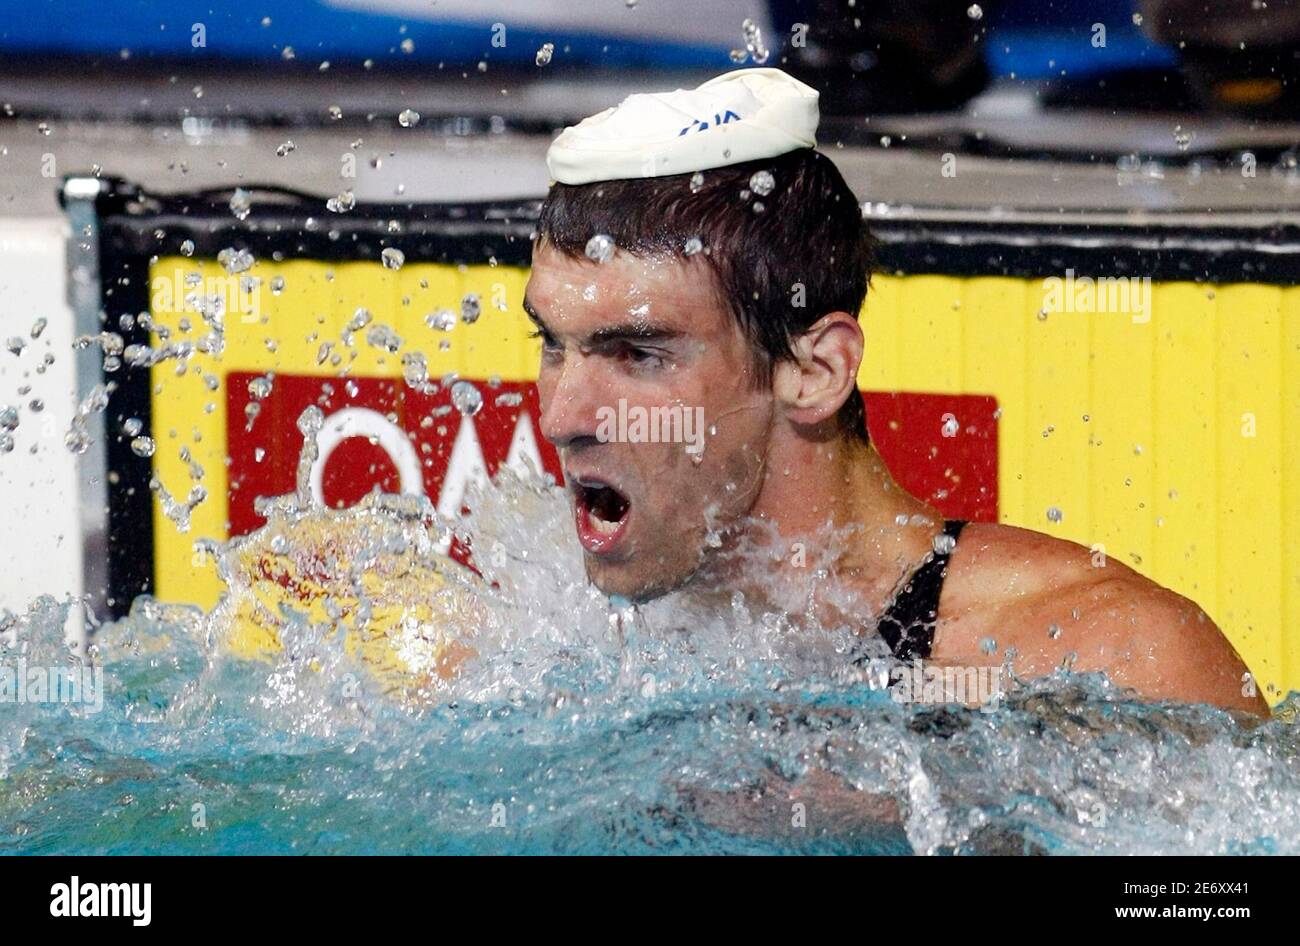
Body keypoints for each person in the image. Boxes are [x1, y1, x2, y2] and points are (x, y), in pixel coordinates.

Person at [522, 67, 1267, 716]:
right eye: (553, 345)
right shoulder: (543, 647)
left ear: (816, 372)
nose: (562, 418)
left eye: (638, 354)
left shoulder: (1090, 662)